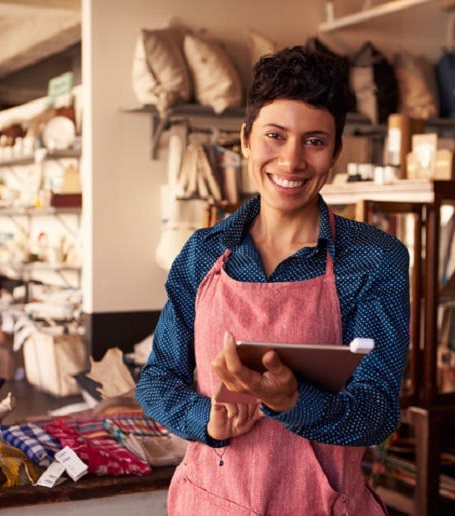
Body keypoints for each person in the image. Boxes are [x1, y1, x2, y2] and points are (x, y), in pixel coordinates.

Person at [135, 45, 410, 515]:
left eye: (315, 141)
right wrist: (210, 420)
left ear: (336, 153)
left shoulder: (374, 259)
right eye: (275, 136)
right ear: (245, 139)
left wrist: (293, 401)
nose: (291, 161)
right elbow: (158, 379)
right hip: (211, 502)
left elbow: (377, 413)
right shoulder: (203, 253)